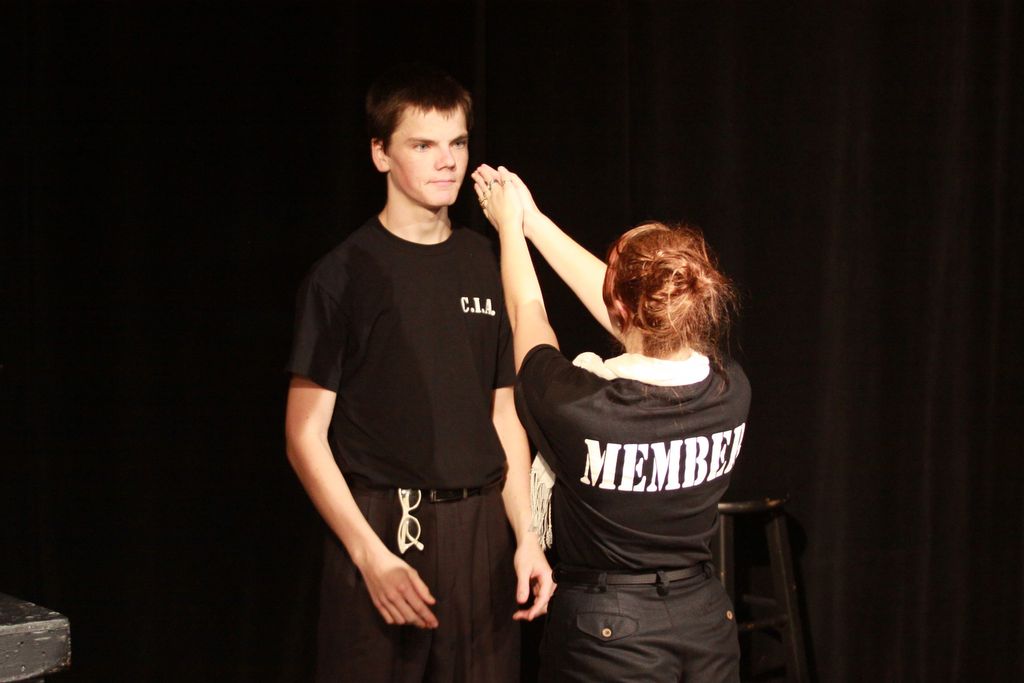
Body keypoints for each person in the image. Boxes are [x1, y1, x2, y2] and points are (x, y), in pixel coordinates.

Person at [284, 66, 553, 683]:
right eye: (423, 145)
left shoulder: (486, 261)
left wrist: (527, 536)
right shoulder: (344, 275)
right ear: (380, 153)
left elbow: (504, 415)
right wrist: (369, 555)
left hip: (480, 534)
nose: (447, 161)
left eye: (457, 142)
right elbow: (303, 435)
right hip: (381, 529)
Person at [473, 164, 749, 683]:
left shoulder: (580, 407)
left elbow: (527, 310)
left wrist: (511, 228)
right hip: (705, 621)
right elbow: (641, 321)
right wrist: (534, 221)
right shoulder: (729, 389)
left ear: (619, 306)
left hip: (609, 635)